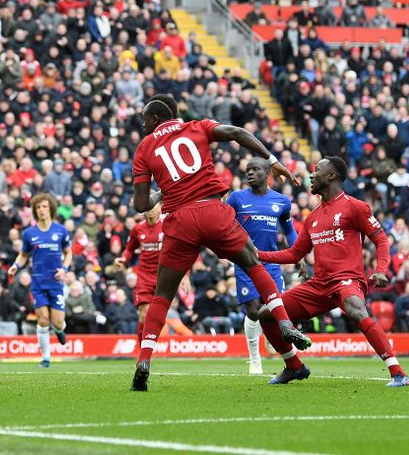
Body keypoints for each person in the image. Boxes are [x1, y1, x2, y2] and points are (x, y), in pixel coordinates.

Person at [129, 98, 310, 391]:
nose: (143, 124)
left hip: (180, 219)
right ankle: (284, 321)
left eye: (145, 119)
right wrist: (273, 160)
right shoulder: (198, 126)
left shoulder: (145, 148)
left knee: (162, 294)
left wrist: (161, 193)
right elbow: (237, 133)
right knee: (253, 263)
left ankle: (144, 359)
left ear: (156, 118)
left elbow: (140, 204)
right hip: (213, 210)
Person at [257, 157, 409, 387]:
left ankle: (398, 372)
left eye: (317, 170)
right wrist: (256, 255)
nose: (311, 174)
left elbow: (380, 238)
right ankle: (294, 367)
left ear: (331, 176)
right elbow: (294, 254)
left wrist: (380, 269)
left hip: (347, 280)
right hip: (319, 285)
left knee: (355, 309)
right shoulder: (313, 217)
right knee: (266, 313)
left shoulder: (355, 206)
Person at [226, 157, 298, 374]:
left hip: (272, 261)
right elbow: (226, 224)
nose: (249, 173)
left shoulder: (281, 201)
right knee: (254, 310)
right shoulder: (236, 198)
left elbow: (289, 231)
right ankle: (254, 358)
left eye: (255, 169)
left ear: (267, 173)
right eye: (247, 170)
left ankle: (270, 335)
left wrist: (299, 255)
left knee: (276, 306)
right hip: (245, 261)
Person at [7, 193, 72, 368]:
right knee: (43, 320)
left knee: (57, 322)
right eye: (38, 207)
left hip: (55, 283)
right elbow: (23, 255)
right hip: (37, 283)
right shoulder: (29, 233)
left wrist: (64, 268)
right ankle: (46, 358)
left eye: (44, 206)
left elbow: (69, 253)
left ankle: (59, 330)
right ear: (35, 211)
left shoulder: (60, 230)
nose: (41, 210)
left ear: (50, 208)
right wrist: (15, 265)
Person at [115, 202, 167, 343]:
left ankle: (149, 347)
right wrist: (123, 259)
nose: (150, 209)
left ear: (160, 206)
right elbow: (130, 248)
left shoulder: (167, 225)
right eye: (147, 206)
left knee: (157, 316)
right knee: (144, 314)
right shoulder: (138, 228)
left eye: (153, 206)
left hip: (163, 276)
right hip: (144, 276)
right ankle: (142, 351)